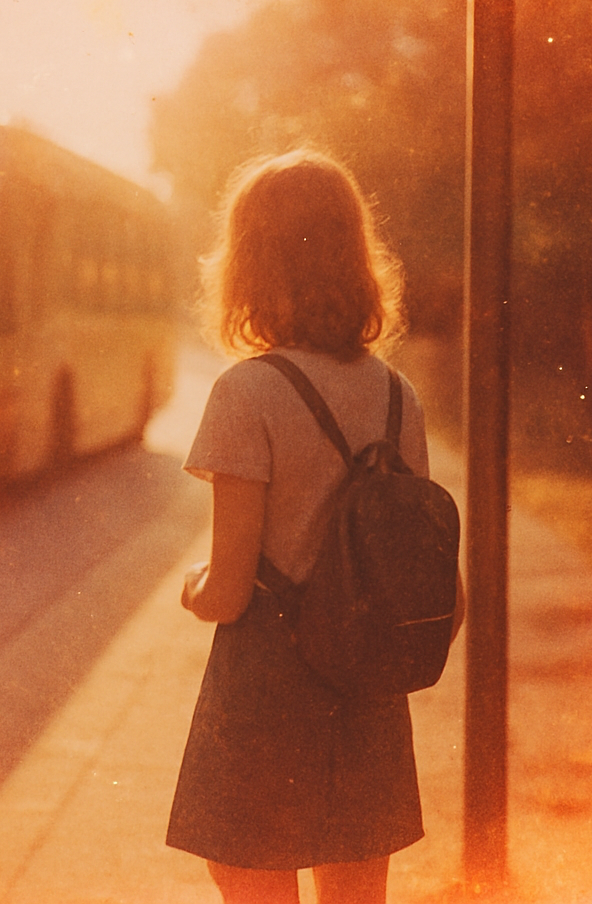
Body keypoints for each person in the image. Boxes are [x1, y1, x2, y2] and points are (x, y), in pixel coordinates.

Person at [166, 149, 465, 904]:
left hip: (268, 686)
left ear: (251, 264)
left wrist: (192, 590)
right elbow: (441, 590)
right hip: (367, 686)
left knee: (250, 874)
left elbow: (231, 589)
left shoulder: (248, 393)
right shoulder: (399, 395)